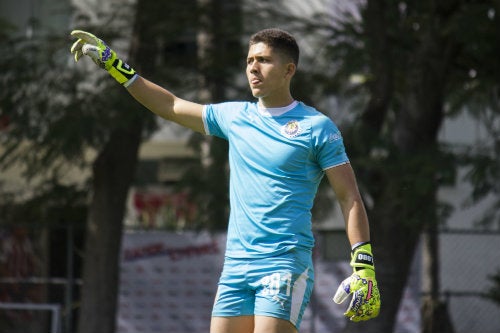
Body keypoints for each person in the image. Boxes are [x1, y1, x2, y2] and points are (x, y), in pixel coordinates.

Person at [70, 27, 380, 333]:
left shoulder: (317, 127)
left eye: (263, 60)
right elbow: (171, 105)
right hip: (236, 266)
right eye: (249, 61)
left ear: (289, 70)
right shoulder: (235, 117)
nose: (253, 68)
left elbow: (349, 197)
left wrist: (363, 264)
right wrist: (115, 65)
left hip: (283, 263)